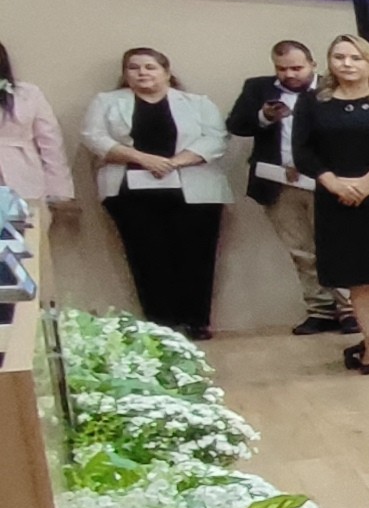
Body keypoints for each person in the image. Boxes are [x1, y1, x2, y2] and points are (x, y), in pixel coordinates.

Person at [285, 36, 369, 371]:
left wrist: (367, 182)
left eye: (355, 58)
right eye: (339, 57)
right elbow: (303, 151)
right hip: (337, 199)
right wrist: (333, 182)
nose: (346, 63)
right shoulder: (312, 103)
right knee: (358, 275)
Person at [81, 48, 230, 337]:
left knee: (196, 257)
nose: (142, 73)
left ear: (166, 72)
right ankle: (161, 324)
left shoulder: (197, 103)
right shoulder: (107, 101)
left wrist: (174, 162)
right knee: (148, 259)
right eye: (134, 68)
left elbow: (216, 138)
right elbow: (93, 137)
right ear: (125, 74)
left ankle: (196, 321)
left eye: (150, 67)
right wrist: (143, 158)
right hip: (131, 194)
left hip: (194, 191)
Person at [225, 40, 337, 334]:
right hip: (279, 181)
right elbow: (236, 124)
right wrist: (264, 116)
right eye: (282, 69)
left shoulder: (333, 87)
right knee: (300, 250)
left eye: (297, 68)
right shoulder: (258, 88)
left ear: (313, 64)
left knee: (336, 247)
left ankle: (350, 308)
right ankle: (320, 309)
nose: (289, 74)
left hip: (327, 181)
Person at [0, 47, 75, 211]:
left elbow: (51, 144)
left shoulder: (27, 93)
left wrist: (59, 191)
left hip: (22, 177)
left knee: (26, 225)